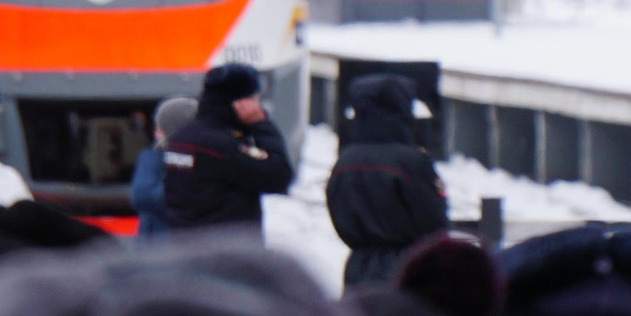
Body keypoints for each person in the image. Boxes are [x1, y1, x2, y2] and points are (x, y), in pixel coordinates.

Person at [325, 74, 448, 287]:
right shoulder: (411, 161)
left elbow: (337, 210)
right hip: (408, 267)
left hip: (357, 267)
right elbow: (433, 219)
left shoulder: (345, 161)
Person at [160, 62, 293, 231]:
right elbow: (279, 175)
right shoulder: (222, 147)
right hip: (226, 250)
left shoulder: (182, 138)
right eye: (254, 98)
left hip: (187, 246)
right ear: (242, 102)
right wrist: (261, 124)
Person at [129, 96, 195, 238]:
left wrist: (153, 155)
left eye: (160, 128)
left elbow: (142, 196)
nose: (155, 133)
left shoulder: (157, 157)